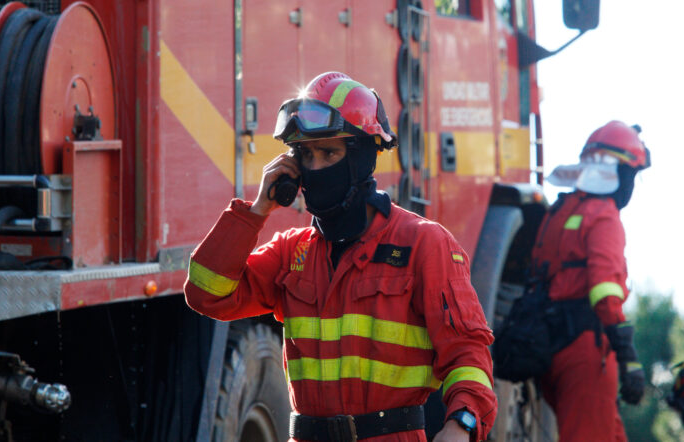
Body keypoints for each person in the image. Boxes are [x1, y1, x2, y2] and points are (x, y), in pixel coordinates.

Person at [184, 72, 496, 441]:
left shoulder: (423, 244)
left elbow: (467, 354)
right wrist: (256, 212)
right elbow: (207, 294)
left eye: (329, 153)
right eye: (306, 155)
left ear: (362, 157)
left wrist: (462, 425)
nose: (315, 168)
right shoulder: (291, 252)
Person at [533, 121, 650, 441]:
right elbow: (605, 291)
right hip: (586, 351)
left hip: (553, 347)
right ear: (620, 172)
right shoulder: (603, 215)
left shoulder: (559, 210)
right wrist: (628, 356)